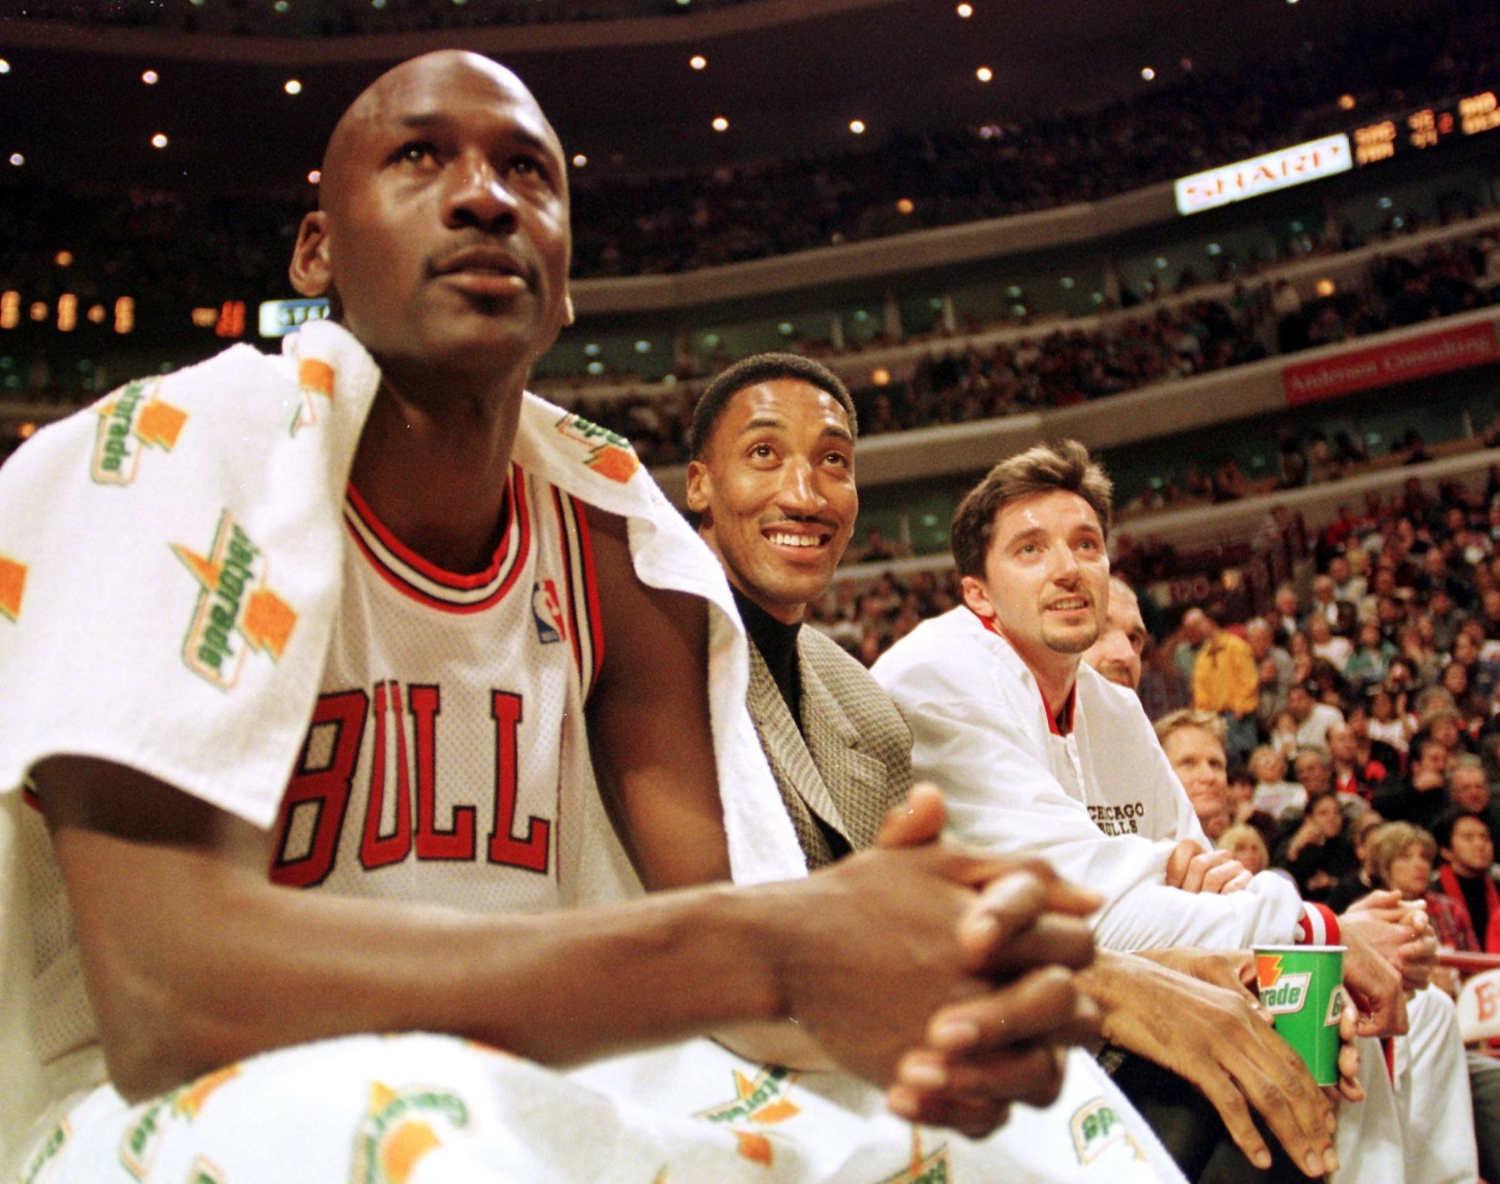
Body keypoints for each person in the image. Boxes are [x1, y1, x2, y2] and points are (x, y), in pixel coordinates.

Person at [0, 54, 1163, 1184]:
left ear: (563, 279)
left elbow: (741, 970)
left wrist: (951, 971)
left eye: (529, 172)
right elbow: (168, 999)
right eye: (419, 156)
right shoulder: (169, 455)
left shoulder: (612, 546)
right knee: (402, 1134)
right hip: (178, 1096)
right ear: (317, 249)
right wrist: (768, 951)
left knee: (1031, 1124)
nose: (482, 195)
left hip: (543, 1062)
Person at [693, 357, 1359, 1180]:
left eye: (834, 460)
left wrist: (1185, 966)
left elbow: (929, 923)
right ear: (696, 484)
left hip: (917, 1029)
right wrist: (1112, 982)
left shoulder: (850, 693)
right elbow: (748, 953)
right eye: (764, 453)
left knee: (1275, 1063)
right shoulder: (659, 644)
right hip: (763, 1067)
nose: (805, 489)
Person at [873, 439, 1475, 1183]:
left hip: (1130, 988)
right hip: (990, 1028)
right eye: (1031, 550)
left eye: (1086, 545)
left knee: (1371, 1009)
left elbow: (1206, 878)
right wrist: (1321, 928)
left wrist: (1288, 928)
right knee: (1316, 987)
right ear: (980, 593)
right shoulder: (937, 678)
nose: (1068, 568)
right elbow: (1090, 917)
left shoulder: (1114, 709)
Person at [1181, 607, 1259, 761]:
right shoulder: (1203, 655)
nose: (1198, 629)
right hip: (1215, 717)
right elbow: (1200, 689)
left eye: (1201, 623)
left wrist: (1241, 705)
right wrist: (1202, 715)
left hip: (1238, 715)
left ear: (1210, 623)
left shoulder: (1237, 647)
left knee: (1244, 756)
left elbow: (1248, 678)